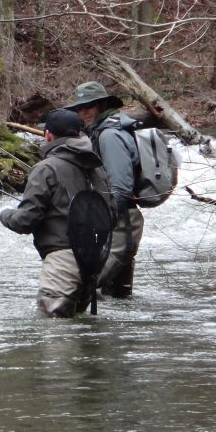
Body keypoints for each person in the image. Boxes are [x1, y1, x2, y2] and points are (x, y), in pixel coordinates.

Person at [0, 108, 114, 317]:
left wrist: (5, 215)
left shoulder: (45, 169)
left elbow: (25, 221)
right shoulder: (99, 170)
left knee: (55, 334)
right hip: (95, 261)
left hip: (63, 263)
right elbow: (112, 216)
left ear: (48, 135)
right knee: (80, 334)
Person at [64, 81, 143, 298]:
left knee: (85, 287)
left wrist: (104, 219)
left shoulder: (109, 136)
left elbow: (121, 187)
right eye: (79, 108)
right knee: (118, 297)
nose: (83, 112)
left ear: (101, 104)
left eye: (88, 106)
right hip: (119, 220)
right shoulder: (104, 130)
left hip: (122, 220)